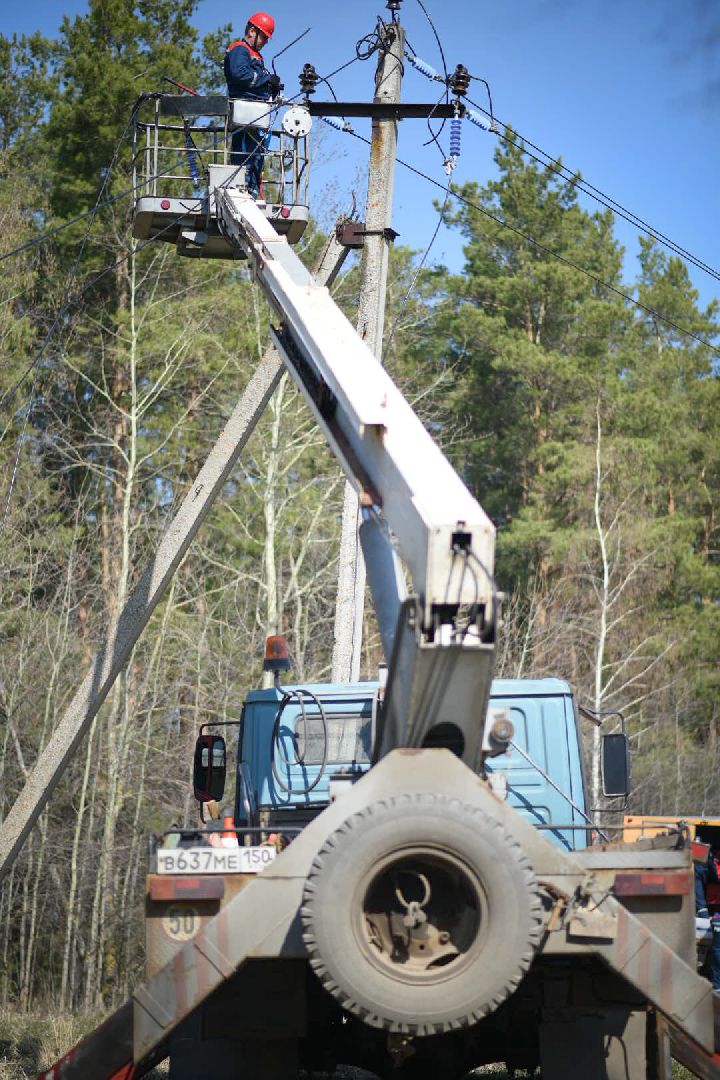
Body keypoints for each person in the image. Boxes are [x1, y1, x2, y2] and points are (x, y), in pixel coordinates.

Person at [224, 11, 282, 196]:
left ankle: (252, 190)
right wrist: (265, 80)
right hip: (245, 115)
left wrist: (273, 87)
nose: (265, 42)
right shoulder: (239, 50)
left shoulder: (255, 56)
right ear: (252, 31)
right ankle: (244, 189)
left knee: (255, 159)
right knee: (244, 160)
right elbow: (240, 75)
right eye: (264, 37)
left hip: (256, 117)